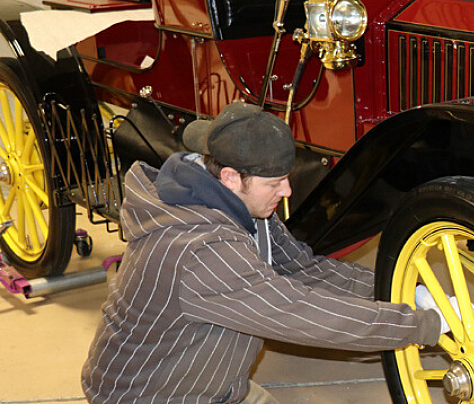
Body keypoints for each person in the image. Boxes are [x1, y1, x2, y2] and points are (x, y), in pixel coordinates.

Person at [81, 102, 441, 404]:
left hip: (212, 385)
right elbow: (298, 311)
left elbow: (304, 270)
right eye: (274, 183)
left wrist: (409, 291)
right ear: (230, 177)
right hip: (152, 397)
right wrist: (423, 325)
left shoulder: (239, 207)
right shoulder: (202, 252)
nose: (286, 191)